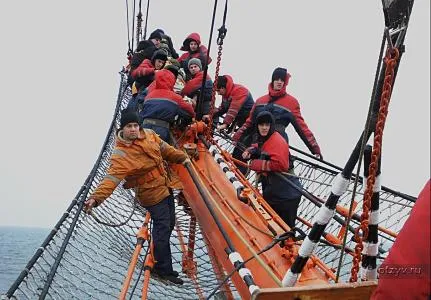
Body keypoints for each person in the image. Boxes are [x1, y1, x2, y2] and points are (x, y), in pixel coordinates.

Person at [84, 109, 190, 285]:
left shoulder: (149, 134)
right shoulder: (121, 154)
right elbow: (111, 179)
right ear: (123, 129)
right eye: (129, 126)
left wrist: (182, 158)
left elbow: (166, 149)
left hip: (165, 184)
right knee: (163, 226)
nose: (133, 129)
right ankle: (163, 270)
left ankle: (159, 259)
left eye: (135, 125)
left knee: (170, 222)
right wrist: (95, 198)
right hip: (150, 193)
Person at [233, 67, 322, 160]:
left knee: (278, 170)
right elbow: (249, 122)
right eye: (277, 79)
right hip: (257, 143)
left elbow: (302, 128)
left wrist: (315, 148)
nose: (279, 82)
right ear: (272, 81)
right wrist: (236, 136)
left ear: (285, 82)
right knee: (238, 156)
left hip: (277, 145)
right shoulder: (260, 101)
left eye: (282, 80)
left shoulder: (291, 102)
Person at [242, 111, 302, 229]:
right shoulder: (264, 138)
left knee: (286, 231)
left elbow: (281, 165)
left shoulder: (277, 141)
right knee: (273, 227)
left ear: (271, 126)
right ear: (257, 126)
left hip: (286, 195)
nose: (264, 128)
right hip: (275, 191)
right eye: (261, 125)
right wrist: (250, 150)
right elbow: (260, 147)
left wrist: (257, 164)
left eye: (267, 125)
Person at [141, 69, 195, 142]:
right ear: (172, 81)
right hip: (161, 130)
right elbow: (189, 111)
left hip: (145, 127)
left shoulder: (149, 96)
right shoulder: (174, 97)